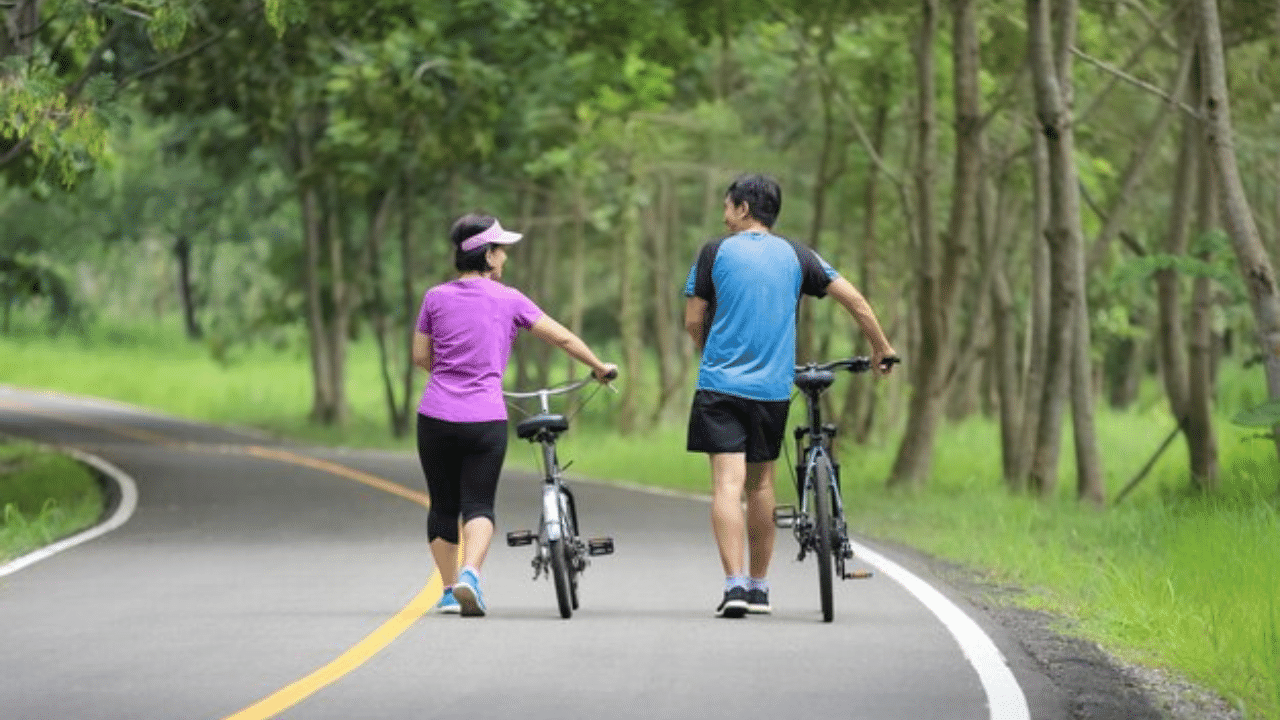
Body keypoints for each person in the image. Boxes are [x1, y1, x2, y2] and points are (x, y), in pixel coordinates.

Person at [683, 173, 897, 618]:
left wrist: (710, 352)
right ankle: (760, 588)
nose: (723, 216)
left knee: (727, 484)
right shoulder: (798, 255)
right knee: (761, 485)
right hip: (772, 389)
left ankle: (735, 585)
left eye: (728, 207)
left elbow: (692, 318)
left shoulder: (713, 252)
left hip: (719, 385)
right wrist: (882, 347)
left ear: (743, 209)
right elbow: (855, 301)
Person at [413, 213, 617, 617]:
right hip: (483, 419)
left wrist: (452, 378)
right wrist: (598, 365)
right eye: (501, 250)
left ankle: (451, 590)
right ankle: (472, 574)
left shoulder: (434, 298)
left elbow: (421, 357)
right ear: (488, 255)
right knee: (479, 505)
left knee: (442, 505)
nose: (505, 257)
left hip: (435, 416)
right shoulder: (509, 299)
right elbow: (559, 335)